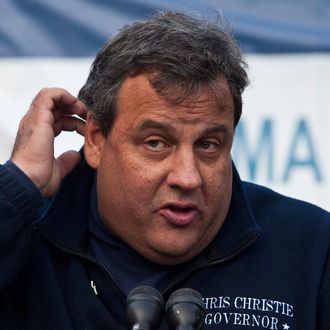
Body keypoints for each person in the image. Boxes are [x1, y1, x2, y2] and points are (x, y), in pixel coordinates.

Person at [0, 11, 329, 330]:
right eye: (156, 143)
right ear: (97, 139)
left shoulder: (312, 249)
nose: (187, 178)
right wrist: (19, 184)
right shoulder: (24, 237)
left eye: (208, 145)